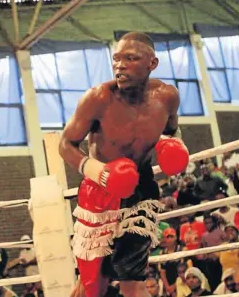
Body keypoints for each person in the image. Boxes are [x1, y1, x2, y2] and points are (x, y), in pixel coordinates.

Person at [60, 32, 190, 297]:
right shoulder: (97, 99)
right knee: (92, 286)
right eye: (117, 59)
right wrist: (100, 173)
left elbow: (171, 131)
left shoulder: (167, 97)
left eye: (130, 58)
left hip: (139, 192)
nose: (120, 65)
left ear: (152, 64)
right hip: (98, 192)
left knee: (133, 279)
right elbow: (65, 145)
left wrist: (173, 146)